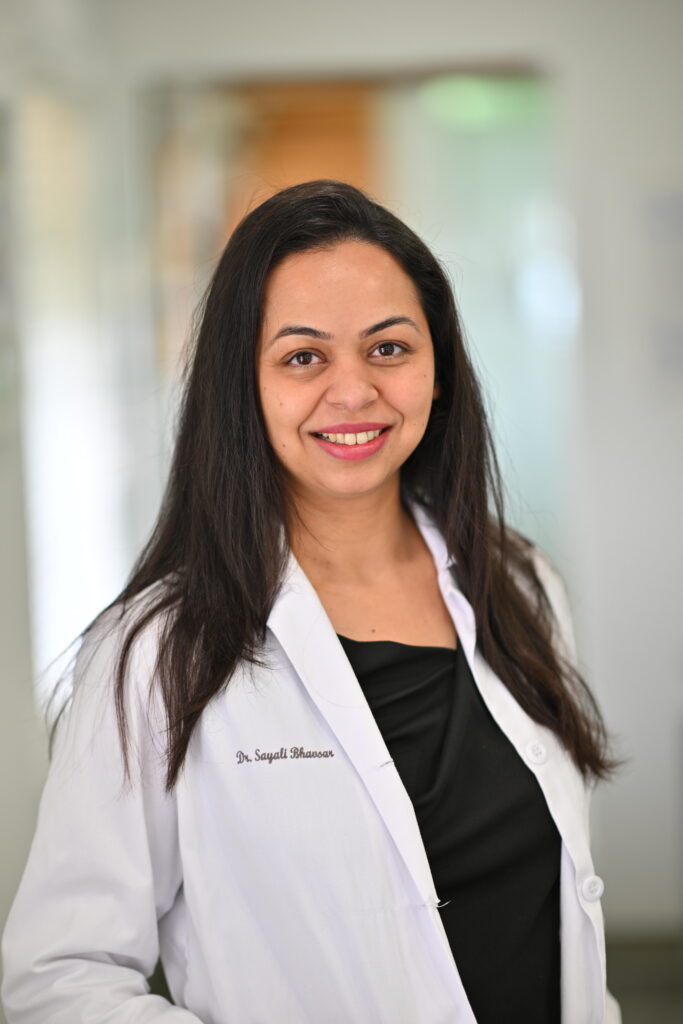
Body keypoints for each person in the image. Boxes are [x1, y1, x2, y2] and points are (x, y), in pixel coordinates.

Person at [2, 179, 621, 1023]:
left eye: (388, 348)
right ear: (242, 387)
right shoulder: (157, 650)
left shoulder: (517, 584)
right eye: (302, 357)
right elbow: (61, 978)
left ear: (437, 368)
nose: (354, 391)